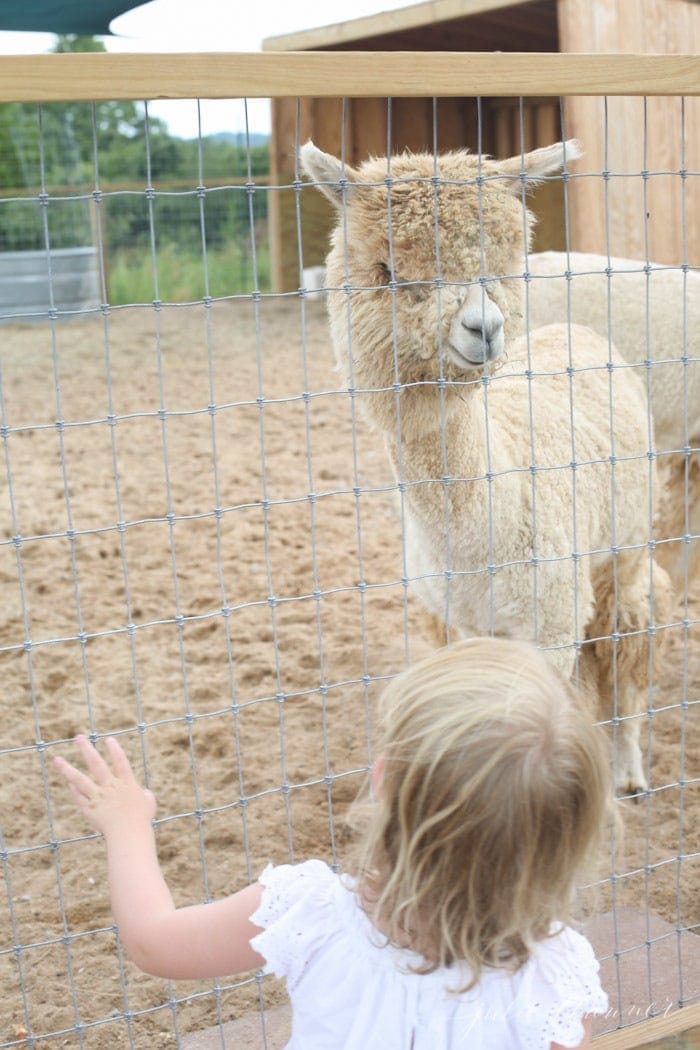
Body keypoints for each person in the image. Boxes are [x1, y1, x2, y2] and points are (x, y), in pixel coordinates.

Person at [53, 637, 612, 1049]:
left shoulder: (315, 912)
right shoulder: (555, 974)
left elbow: (155, 943)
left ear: (382, 779)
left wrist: (127, 825)